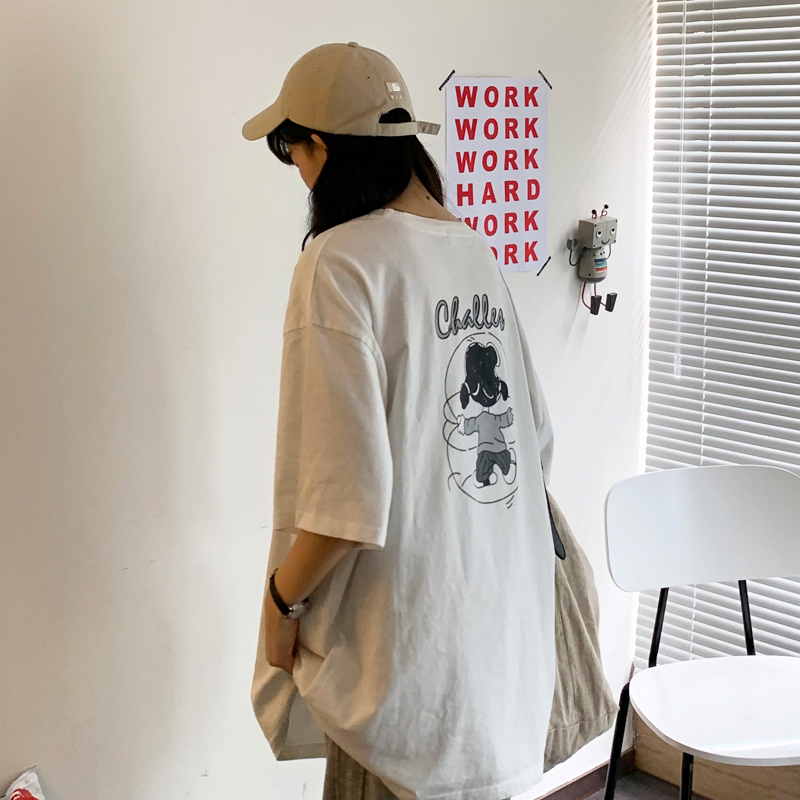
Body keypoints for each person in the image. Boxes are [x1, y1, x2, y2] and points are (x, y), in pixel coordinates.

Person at [243, 42, 556, 800]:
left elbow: (346, 501)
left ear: (321, 148)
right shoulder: (472, 249)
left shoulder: (338, 263)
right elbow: (538, 441)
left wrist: (280, 603)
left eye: (294, 153)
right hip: (498, 664)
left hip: (399, 668)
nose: (300, 175)